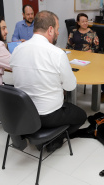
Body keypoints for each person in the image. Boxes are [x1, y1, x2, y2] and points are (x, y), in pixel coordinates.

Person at [10, 11, 87, 152]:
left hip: (24, 113)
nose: (58, 33)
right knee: (81, 116)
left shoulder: (17, 50)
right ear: (50, 29)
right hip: (48, 115)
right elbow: (70, 86)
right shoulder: (57, 54)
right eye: (57, 29)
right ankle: (53, 140)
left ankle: (44, 136)